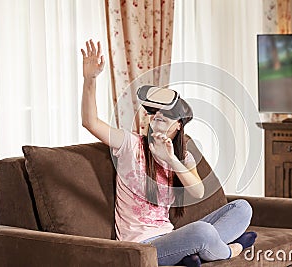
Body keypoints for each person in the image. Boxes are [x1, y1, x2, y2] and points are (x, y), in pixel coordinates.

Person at [81, 39, 256, 267]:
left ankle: (193, 254)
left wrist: (171, 159)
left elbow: (198, 190)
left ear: (178, 126)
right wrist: (90, 79)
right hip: (143, 246)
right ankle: (227, 250)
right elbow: (90, 122)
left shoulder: (182, 158)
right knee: (202, 232)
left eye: (165, 117)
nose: (157, 120)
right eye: (155, 116)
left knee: (242, 208)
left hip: (170, 237)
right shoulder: (129, 144)